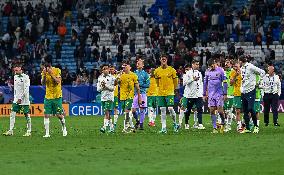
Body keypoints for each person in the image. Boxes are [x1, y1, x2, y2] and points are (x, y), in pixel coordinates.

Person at [41, 56, 67, 137]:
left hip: (57, 96)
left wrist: (51, 74)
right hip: (48, 96)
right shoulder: (44, 71)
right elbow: (42, 83)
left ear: (48, 63)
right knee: (46, 114)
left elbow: (58, 81)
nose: (44, 65)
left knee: (58, 115)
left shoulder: (57, 70)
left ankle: (64, 128)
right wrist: (45, 75)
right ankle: (47, 133)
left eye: (45, 63)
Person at [3, 64, 31, 137]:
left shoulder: (26, 77)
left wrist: (20, 98)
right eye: (14, 70)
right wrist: (15, 97)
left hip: (24, 99)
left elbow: (26, 89)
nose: (15, 72)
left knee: (26, 114)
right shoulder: (15, 76)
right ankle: (10, 130)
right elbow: (17, 89)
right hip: (16, 99)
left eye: (16, 70)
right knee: (12, 113)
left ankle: (29, 131)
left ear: (20, 69)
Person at [239, 56, 265, 134]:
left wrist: (259, 82)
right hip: (243, 91)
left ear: (240, 61)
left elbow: (262, 72)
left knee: (250, 108)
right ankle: (247, 128)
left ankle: (256, 126)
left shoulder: (250, 67)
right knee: (245, 111)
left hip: (251, 91)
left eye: (239, 60)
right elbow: (243, 79)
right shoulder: (241, 68)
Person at [154, 55, 179, 133]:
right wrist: (159, 89)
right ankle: (163, 128)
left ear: (167, 60)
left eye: (165, 59)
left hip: (170, 92)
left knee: (170, 108)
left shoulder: (172, 70)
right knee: (162, 110)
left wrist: (174, 89)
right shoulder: (157, 71)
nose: (163, 60)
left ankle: (175, 123)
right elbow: (157, 82)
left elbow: (176, 82)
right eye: (162, 59)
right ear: (160, 60)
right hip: (161, 93)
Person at [203, 58, 228, 133]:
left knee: (220, 110)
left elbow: (225, 82)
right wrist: (204, 94)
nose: (212, 67)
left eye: (213, 65)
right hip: (211, 94)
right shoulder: (207, 72)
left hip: (219, 93)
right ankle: (214, 128)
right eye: (211, 66)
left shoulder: (221, 70)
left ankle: (223, 122)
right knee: (212, 110)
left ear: (215, 63)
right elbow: (205, 83)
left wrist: (225, 93)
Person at [117, 60, 141, 133]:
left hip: (130, 96)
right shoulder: (121, 75)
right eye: (123, 66)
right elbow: (115, 84)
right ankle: (132, 126)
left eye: (126, 65)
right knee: (126, 112)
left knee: (127, 111)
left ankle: (125, 127)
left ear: (129, 67)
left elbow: (137, 87)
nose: (124, 67)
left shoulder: (133, 75)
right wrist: (118, 76)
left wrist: (139, 97)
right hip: (122, 97)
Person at [183, 60, 205, 130]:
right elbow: (184, 83)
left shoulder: (199, 73)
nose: (197, 66)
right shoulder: (188, 73)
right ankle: (186, 123)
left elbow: (201, 83)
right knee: (188, 110)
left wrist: (202, 93)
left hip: (198, 94)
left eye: (198, 64)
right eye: (196, 64)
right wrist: (193, 79)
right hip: (190, 95)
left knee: (199, 108)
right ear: (192, 65)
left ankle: (200, 124)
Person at [131, 58, 150, 130]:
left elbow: (148, 85)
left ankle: (141, 124)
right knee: (133, 110)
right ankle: (137, 121)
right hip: (135, 94)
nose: (138, 64)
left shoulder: (145, 74)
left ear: (143, 65)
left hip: (142, 94)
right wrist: (135, 85)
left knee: (142, 109)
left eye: (139, 63)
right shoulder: (134, 73)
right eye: (137, 63)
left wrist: (140, 85)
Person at [97, 64, 116, 133]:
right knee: (107, 113)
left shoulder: (112, 78)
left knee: (106, 112)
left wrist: (106, 86)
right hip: (103, 97)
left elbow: (113, 88)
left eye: (107, 68)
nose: (106, 70)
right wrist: (102, 87)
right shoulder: (100, 78)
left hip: (109, 97)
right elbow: (98, 89)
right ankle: (112, 127)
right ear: (102, 70)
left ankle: (104, 127)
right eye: (104, 69)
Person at [230, 60, 243, 132]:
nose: (235, 68)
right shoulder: (233, 72)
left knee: (248, 110)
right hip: (237, 93)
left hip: (245, 93)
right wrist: (235, 75)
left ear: (239, 65)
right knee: (237, 111)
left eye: (236, 66)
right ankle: (239, 125)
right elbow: (231, 83)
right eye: (234, 66)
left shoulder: (244, 71)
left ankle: (244, 123)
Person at [223, 59, 235, 132]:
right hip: (224, 94)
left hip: (231, 94)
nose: (226, 64)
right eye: (225, 63)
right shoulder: (223, 73)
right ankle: (238, 121)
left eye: (228, 63)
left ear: (231, 64)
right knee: (225, 110)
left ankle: (228, 125)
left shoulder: (234, 72)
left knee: (229, 110)